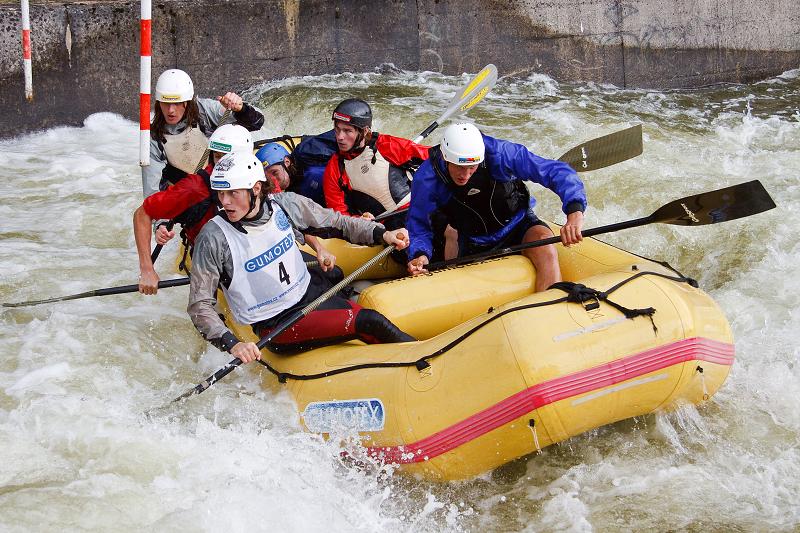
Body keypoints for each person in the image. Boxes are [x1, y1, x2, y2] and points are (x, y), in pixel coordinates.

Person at [188, 151, 416, 359]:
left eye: (232, 193)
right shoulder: (213, 237)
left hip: (311, 293)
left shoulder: (285, 205)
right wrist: (233, 344)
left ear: (256, 189)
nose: (224, 201)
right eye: (220, 193)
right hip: (277, 323)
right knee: (371, 321)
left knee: (337, 278)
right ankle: (420, 358)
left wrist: (382, 234)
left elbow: (338, 222)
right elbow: (199, 306)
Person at [406, 123, 586, 293]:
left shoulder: (500, 154)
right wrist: (420, 254)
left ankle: (550, 312)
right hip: (474, 240)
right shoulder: (427, 178)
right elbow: (419, 225)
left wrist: (575, 212)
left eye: (472, 166)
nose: (466, 175)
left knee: (545, 244)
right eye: (460, 167)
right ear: (446, 157)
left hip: (517, 225)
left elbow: (555, 171)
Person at [134, 124, 254, 295]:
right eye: (217, 157)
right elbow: (142, 214)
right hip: (211, 261)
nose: (220, 165)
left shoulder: (257, 179)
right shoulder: (195, 188)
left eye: (227, 158)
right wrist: (147, 269)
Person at [142, 68, 264, 198]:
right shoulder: (152, 138)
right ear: (158, 102)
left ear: (187, 101)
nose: (171, 110)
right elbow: (152, 192)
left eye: (177, 103)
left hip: (220, 184)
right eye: (166, 103)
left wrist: (241, 109)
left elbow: (257, 123)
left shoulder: (203, 111)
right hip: (185, 196)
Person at [322, 98, 429, 227]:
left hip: (418, 210)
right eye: (337, 129)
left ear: (365, 131)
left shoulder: (386, 146)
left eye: (347, 131)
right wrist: (359, 220)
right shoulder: (335, 168)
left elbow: (434, 157)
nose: (340, 137)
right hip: (387, 228)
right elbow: (339, 215)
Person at [255, 132, 337, 207]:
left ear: (287, 162)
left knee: (313, 174)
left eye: (275, 172)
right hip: (333, 208)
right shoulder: (291, 195)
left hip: (344, 184)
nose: (273, 181)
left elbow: (343, 137)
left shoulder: (306, 151)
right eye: (267, 179)